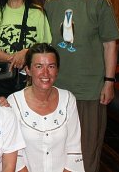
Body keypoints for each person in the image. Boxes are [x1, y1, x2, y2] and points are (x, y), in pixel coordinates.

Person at [44, 0, 119, 172]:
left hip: (90, 89)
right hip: (58, 89)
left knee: (87, 150)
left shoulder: (98, 1)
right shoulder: (52, 3)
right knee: (59, 147)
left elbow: (110, 44)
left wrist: (109, 81)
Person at [7, 43, 84, 172]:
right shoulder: (14, 102)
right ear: (28, 70)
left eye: (51, 66)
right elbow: (15, 155)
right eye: (39, 66)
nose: (45, 73)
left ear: (57, 70)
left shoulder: (68, 99)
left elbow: (74, 149)